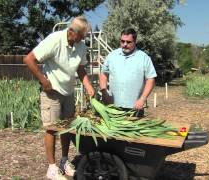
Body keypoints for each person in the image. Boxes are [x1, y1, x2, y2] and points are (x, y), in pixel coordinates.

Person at [23, 16, 95, 180]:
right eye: (82, 36)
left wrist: (89, 86)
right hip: (52, 93)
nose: (83, 39)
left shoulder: (80, 46)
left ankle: (64, 161)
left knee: (66, 129)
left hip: (68, 93)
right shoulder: (54, 40)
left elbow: (80, 68)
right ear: (71, 32)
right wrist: (43, 80)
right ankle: (52, 168)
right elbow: (28, 59)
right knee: (51, 129)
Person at [99, 27, 157, 117]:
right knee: (114, 131)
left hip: (135, 108)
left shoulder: (143, 58)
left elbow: (151, 79)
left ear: (135, 41)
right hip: (113, 107)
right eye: (122, 41)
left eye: (128, 42)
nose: (125, 44)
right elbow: (103, 74)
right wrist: (104, 92)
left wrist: (142, 99)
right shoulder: (112, 56)